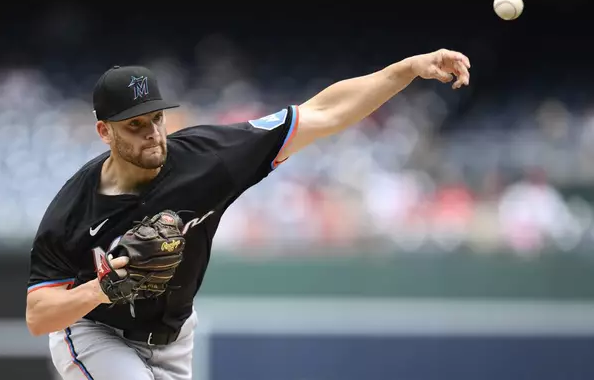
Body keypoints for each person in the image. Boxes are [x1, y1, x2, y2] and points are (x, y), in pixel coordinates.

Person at [25, 48, 470, 379]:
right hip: (96, 332)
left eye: (156, 119)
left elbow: (322, 112)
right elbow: (38, 315)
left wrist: (407, 69)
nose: (152, 134)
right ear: (105, 132)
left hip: (174, 336)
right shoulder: (75, 207)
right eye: (134, 126)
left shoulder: (209, 158)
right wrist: (100, 291)